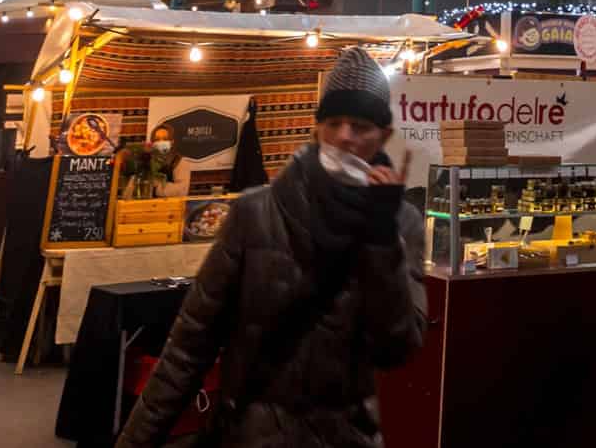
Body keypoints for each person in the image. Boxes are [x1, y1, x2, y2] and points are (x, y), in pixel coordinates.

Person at [116, 48, 425, 448]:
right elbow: (188, 348)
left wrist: (381, 243)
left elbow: (397, 347)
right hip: (248, 435)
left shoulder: (401, 223)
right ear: (317, 129)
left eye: (360, 124)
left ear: (383, 135)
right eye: (334, 122)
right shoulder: (255, 213)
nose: (345, 136)